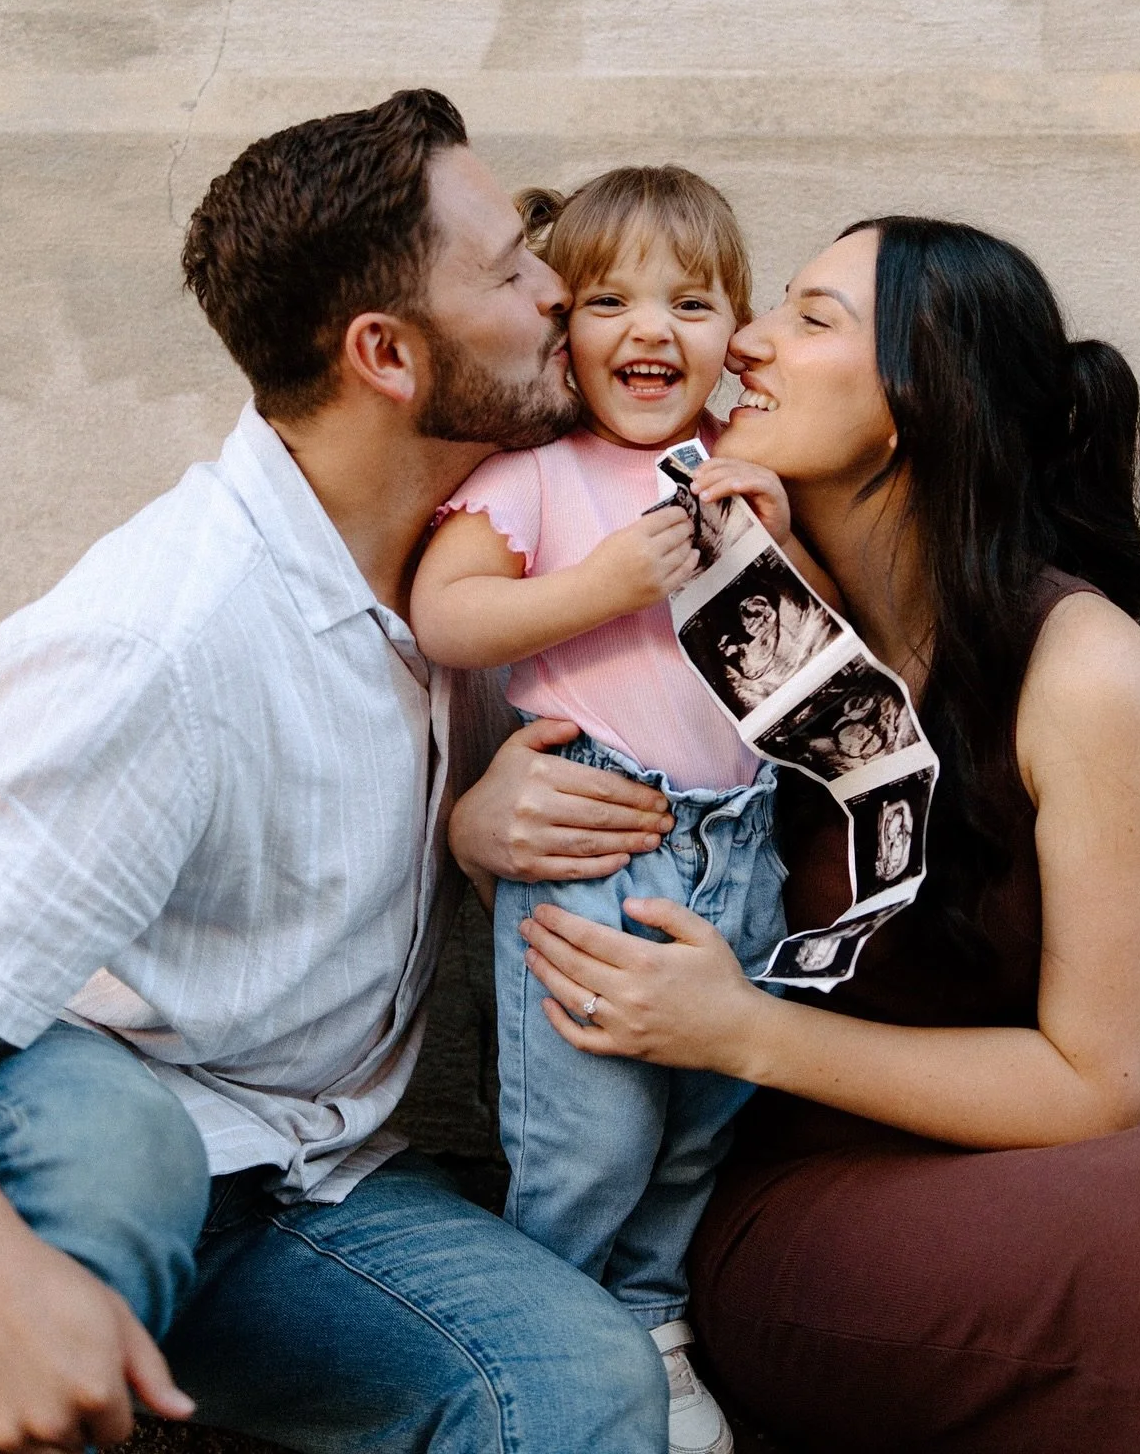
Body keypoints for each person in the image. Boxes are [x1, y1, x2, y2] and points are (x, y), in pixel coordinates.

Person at [0, 91, 678, 1454]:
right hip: (77, 1132)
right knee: (124, 1157)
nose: (561, 289)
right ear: (387, 354)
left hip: (307, 1179)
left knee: (577, 1384)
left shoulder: (494, 562)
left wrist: (473, 831)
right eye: (512, 268)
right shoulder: (163, 632)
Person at [495, 216, 1140, 1452]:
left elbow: (1106, 1087)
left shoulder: (1075, 668)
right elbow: (495, 683)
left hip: (1034, 1170)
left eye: (809, 320)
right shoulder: (716, 600)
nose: (749, 344)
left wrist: (742, 1026)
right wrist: (479, 817)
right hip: (797, 1205)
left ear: (918, 403)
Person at [411, 168, 832, 1454]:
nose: (654, 329)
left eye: (693, 302)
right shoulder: (539, 474)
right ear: (562, 329)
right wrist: (601, 583)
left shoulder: (744, 471)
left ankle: (647, 1317)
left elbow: (820, 662)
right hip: (595, 830)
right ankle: (546, 1332)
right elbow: (450, 615)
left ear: (733, 331)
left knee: (699, 1119)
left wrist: (789, 552)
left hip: (740, 837)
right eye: (611, 301)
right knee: (584, 1131)